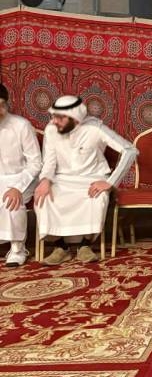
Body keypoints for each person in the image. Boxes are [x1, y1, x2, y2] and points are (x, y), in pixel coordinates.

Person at [33, 94, 137, 265]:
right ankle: (60, 248)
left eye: (60, 117)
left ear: (75, 118)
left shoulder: (95, 129)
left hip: (92, 178)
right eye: (53, 116)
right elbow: (49, 162)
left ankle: (85, 246)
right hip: (62, 180)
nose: (54, 121)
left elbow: (130, 150)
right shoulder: (51, 130)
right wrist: (45, 180)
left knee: (96, 197)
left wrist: (110, 182)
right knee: (43, 198)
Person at [0, 83, 42, 267]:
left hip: (24, 178)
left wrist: (17, 187)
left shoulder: (21, 125)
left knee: (11, 200)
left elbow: (36, 163)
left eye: (2, 105)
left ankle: (18, 249)